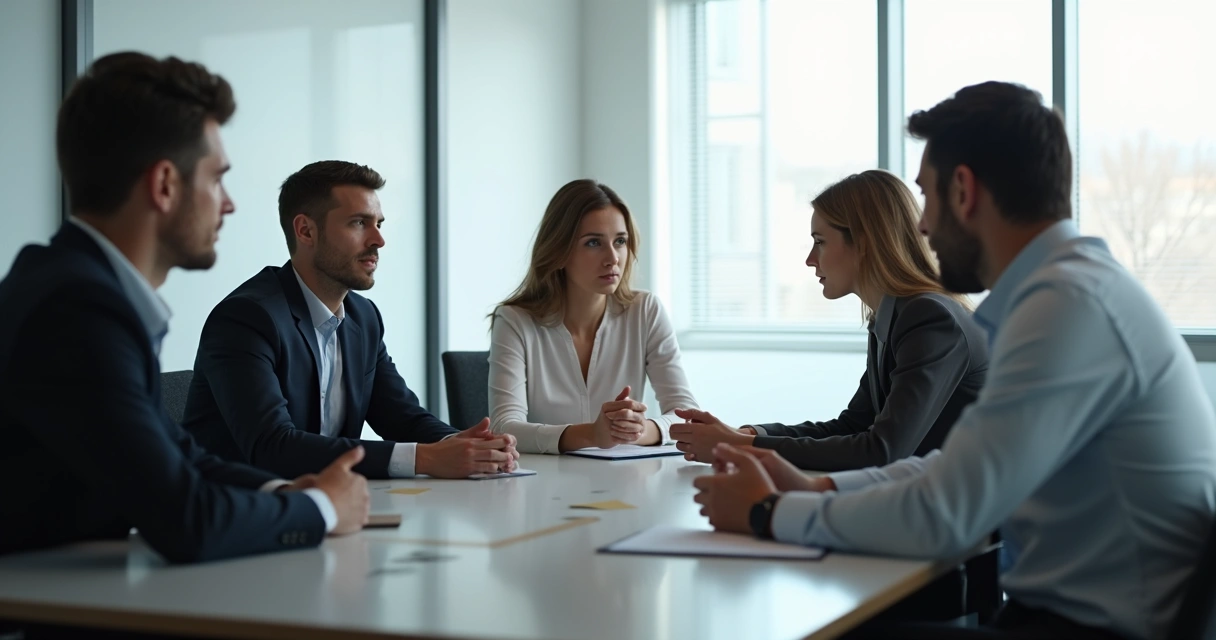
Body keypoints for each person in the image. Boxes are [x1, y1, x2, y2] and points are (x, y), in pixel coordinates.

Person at [692, 81, 1216, 640]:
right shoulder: (1067, 294)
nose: (921, 225)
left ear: (963, 190)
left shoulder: (1067, 308)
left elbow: (945, 514)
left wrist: (767, 513)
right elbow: (953, 466)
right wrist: (815, 490)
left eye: (927, 196)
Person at [0, 53, 370, 564]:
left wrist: (283, 493)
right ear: (165, 185)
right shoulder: (76, 310)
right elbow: (185, 519)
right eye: (217, 178)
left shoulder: (77, 286)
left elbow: (181, 456)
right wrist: (320, 510)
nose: (229, 203)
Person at [182, 161, 518, 480]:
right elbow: (273, 446)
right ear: (306, 231)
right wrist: (425, 458)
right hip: (242, 517)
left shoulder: (363, 317)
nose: (378, 240)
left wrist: (464, 445)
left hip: (332, 507)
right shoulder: (247, 318)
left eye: (379, 224)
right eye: (359, 223)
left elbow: (401, 417)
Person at [671, 170, 988, 471]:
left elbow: (882, 450)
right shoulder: (891, 317)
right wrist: (746, 434)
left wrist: (741, 446)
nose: (810, 259)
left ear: (863, 243)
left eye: (819, 241)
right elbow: (853, 425)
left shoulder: (929, 318)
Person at [489, 179, 698, 454]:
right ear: (559, 251)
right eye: (593, 243)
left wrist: (638, 430)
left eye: (620, 241)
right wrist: (592, 434)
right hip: (543, 486)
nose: (613, 258)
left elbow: (689, 418)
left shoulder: (645, 311)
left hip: (625, 483)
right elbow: (504, 427)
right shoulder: (515, 321)